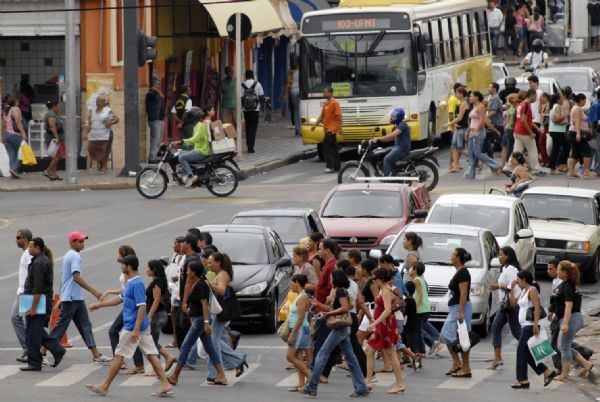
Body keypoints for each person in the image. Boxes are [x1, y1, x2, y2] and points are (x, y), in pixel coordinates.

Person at [86, 255, 173, 397]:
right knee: (151, 354)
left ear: (129, 267)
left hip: (133, 326)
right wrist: (100, 305)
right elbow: (119, 299)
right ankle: (165, 384)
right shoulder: (130, 283)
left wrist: (136, 329)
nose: (121, 267)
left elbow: (142, 307)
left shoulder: (136, 284)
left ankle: (104, 386)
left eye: (123, 264)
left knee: (119, 355)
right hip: (140, 326)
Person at [301, 269, 370, 397]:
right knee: (351, 359)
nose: (330, 281)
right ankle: (361, 387)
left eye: (331, 278)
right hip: (343, 329)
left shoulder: (340, 291)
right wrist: (319, 304)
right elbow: (335, 308)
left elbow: (344, 308)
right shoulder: (341, 291)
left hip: (340, 329)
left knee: (322, 354)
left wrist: (328, 314)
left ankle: (312, 386)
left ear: (337, 279)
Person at [49, 231, 111, 363]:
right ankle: (42, 353)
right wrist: (94, 291)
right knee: (61, 327)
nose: (82, 244)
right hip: (72, 298)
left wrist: (61, 297)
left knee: (85, 326)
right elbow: (76, 277)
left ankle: (96, 355)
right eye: (79, 241)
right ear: (71, 242)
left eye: (82, 241)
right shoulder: (75, 257)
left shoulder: (68, 255)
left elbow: (64, 278)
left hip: (74, 298)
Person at [167, 261, 227, 386]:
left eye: (189, 270)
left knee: (185, 346)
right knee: (209, 348)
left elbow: (204, 304)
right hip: (197, 319)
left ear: (194, 272)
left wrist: (206, 323)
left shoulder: (201, 285)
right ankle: (221, 375)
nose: (187, 272)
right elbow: (192, 302)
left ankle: (175, 376)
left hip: (200, 320)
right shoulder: (195, 284)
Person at [20, 237, 66, 371]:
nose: (29, 249)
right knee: (35, 330)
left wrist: (34, 308)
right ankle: (57, 350)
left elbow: (38, 288)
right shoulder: (39, 260)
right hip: (33, 299)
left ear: (38, 248)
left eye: (31, 247)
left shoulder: (39, 263)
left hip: (36, 300)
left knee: (32, 333)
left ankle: (35, 362)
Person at [508, 270, 557, 389]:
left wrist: (535, 324)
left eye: (518, 280)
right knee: (527, 353)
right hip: (524, 325)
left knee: (521, 351)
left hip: (530, 325)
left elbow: (536, 308)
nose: (518, 282)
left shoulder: (532, 290)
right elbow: (514, 304)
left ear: (524, 279)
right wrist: (512, 289)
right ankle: (547, 372)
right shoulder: (524, 291)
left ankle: (522, 380)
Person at [206, 252, 248, 383]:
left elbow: (222, 291)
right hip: (217, 311)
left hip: (221, 311)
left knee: (213, 342)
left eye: (210, 262)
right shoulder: (219, 273)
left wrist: (209, 283)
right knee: (215, 341)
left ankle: (215, 373)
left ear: (218, 263)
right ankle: (237, 360)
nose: (208, 264)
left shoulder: (223, 274)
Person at [364, 267, 405, 394]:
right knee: (370, 351)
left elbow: (387, 310)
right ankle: (368, 380)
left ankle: (399, 383)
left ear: (380, 279)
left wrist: (374, 323)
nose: (373, 281)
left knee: (391, 354)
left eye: (375, 278)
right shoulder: (384, 289)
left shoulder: (386, 291)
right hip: (383, 325)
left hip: (384, 326)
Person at [552, 261, 595, 382]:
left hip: (571, 319)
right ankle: (586, 364)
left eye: (559, 269)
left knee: (564, 347)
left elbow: (569, 306)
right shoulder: (565, 284)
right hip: (569, 318)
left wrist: (565, 323)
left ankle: (564, 375)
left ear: (565, 273)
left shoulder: (568, 286)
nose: (557, 271)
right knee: (562, 346)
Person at [104, 245, 144, 373]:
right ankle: (135, 363)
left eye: (119, 254)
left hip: (130, 307)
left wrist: (110, 295)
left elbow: (126, 290)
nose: (117, 257)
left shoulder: (128, 271)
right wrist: (110, 291)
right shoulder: (127, 268)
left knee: (115, 331)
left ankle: (122, 361)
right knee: (137, 337)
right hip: (128, 306)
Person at [439, 248, 473, 378]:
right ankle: (457, 362)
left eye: (453, 254)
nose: (451, 256)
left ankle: (465, 367)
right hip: (455, 307)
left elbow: (464, 293)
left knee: (461, 337)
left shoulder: (463, 272)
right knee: (450, 337)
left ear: (458, 258)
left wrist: (460, 312)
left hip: (461, 308)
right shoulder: (459, 272)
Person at [488, 246, 521, 370]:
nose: (499, 257)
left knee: (517, 332)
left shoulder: (511, 269)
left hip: (511, 305)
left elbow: (513, 286)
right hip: (505, 305)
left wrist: (498, 286)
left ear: (508, 256)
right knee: (495, 327)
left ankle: (535, 350)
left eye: (501, 255)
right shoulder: (505, 268)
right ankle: (497, 358)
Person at [143, 260, 176, 375]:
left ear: (154, 270)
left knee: (151, 342)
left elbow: (156, 300)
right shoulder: (159, 281)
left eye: (148, 268)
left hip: (157, 316)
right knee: (152, 341)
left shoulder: (156, 284)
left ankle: (157, 369)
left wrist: (149, 316)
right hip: (160, 314)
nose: (146, 270)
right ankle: (168, 357)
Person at [464, 91, 501, 179]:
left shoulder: (481, 106)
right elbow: (472, 121)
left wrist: (475, 131)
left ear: (476, 97)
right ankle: (470, 174)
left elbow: (481, 120)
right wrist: (468, 131)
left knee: (477, 153)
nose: (470, 98)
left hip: (479, 132)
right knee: (471, 153)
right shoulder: (474, 106)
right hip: (473, 131)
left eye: (471, 96)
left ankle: (497, 165)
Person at [409, 261, 442, 356]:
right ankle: (432, 343)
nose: (409, 269)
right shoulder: (420, 279)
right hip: (424, 309)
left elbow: (419, 295)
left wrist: (415, 308)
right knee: (421, 328)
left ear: (415, 270)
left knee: (418, 329)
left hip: (421, 309)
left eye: (411, 267)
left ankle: (427, 346)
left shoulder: (416, 280)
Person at [286, 274, 312, 392]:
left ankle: (311, 378)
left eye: (292, 283)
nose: (290, 285)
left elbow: (301, 318)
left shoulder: (302, 297)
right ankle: (301, 384)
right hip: (297, 329)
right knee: (298, 358)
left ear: (297, 283)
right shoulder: (298, 296)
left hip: (300, 330)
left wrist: (292, 334)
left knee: (290, 356)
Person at [174, 106, 211, 188]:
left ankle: (191, 176)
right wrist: (181, 144)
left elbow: (195, 139)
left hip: (202, 151)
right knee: (180, 153)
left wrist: (182, 141)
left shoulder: (200, 126)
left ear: (193, 117)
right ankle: (186, 176)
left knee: (182, 158)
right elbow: (195, 140)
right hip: (199, 149)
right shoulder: (197, 125)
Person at [12, 229, 33, 363]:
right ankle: (31, 349)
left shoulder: (28, 254)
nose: (16, 240)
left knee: (15, 318)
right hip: (23, 292)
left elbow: (33, 272)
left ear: (25, 238)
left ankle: (29, 349)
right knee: (30, 323)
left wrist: (26, 291)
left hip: (27, 293)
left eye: (18, 237)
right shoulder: (26, 253)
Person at [311, 87, 342, 173]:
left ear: (330, 93)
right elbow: (321, 116)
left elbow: (339, 116)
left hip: (332, 129)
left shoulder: (335, 103)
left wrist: (340, 128)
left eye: (325, 92)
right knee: (334, 148)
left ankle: (330, 166)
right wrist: (315, 125)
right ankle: (336, 166)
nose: (323, 94)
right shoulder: (326, 104)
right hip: (327, 128)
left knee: (327, 146)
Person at [86, 95, 119, 174]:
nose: (97, 103)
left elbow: (117, 119)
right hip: (94, 135)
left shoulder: (107, 110)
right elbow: (89, 122)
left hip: (105, 134)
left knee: (104, 151)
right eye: (97, 101)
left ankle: (103, 167)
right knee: (91, 149)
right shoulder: (92, 111)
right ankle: (102, 164)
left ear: (103, 103)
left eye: (99, 101)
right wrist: (86, 132)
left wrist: (110, 122)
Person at [375, 108, 411, 177]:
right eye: (392, 116)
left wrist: (378, 138)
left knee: (387, 159)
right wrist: (379, 140)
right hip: (398, 147)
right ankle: (392, 171)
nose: (392, 118)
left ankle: (387, 178)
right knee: (384, 151)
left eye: (394, 116)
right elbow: (390, 138)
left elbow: (392, 135)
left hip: (403, 149)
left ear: (399, 117)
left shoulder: (402, 125)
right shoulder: (398, 125)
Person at [513, 89, 542, 174]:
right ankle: (536, 169)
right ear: (531, 95)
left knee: (517, 152)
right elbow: (524, 121)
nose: (536, 98)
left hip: (517, 131)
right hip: (524, 133)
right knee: (532, 150)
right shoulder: (526, 105)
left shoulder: (521, 104)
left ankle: (509, 167)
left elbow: (527, 120)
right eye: (535, 96)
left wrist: (536, 128)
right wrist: (530, 132)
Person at [568, 93, 596, 178]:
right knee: (586, 152)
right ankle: (587, 172)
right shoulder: (577, 109)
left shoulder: (576, 108)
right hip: (578, 133)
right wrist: (578, 133)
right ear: (581, 100)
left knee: (575, 153)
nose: (584, 102)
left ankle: (571, 172)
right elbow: (577, 122)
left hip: (574, 132)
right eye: (584, 100)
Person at [445, 87, 470, 172]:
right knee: (454, 146)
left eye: (457, 93)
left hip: (462, 128)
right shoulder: (461, 102)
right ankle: (455, 166)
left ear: (461, 93)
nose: (456, 95)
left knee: (461, 149)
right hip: (458, 128)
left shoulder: (464, 103)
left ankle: (477, 157)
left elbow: (460, 117)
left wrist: (449, 123)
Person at [2, 95, 27, 178]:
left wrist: (3, 137)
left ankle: (13, 173)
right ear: (16, 102)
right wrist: (23, 133)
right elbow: (18, 123)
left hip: (8, 135)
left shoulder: (6, 111)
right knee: (22, 152)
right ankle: (13, 169)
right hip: (15, 135)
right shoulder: (16, 109)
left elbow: (4, 125)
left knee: (12, 155)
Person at [241, 70, 264, 153]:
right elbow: (261, 97)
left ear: (245, 76)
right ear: (253, 76)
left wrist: (241, 108)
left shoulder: (242, 85)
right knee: (253, 128)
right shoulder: (257, 84)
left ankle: (248, 144)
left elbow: (241, 98)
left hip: (246, 110)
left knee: (247, 127)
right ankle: (252, 146)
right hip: (255, 109)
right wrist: (262, 108)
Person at [43, 101, 65, 181]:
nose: (59, 108)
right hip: (53, 139)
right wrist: (57, 138)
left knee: (55, 156)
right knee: (58, 155)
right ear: (53, 106)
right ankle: (47, 170)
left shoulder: (55, 114)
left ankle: (54, 173)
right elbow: (52, 127)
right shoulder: (51, 115)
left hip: (56, 138)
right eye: (57, 106)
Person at [146, 73, 165, 163]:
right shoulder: (151, 93)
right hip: (154, 119)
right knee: (155, 138)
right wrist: (155, 89)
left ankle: (155, 156)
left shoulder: (154, 93)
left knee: (159, 138)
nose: (159, 85)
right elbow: (161, 96)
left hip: (159, 118)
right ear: (154, 84)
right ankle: (152, 158)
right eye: (158, 84)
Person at [548, 92, 569, 174]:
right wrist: (565, 115)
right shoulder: (558, 106)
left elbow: (555, 120)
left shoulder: (553, 106)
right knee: (558, 148)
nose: (562, 99)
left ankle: (560, 165)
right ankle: (554, 167)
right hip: (558, 131)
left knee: (563, 147)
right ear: (558, 99)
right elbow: (557, 119)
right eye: (561, 98)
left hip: (555, 130)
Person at [501, 93, 520, 169]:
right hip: (511, 130)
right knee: (511, 148)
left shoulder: (510, 108)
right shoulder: (513, 109)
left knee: (509, 147)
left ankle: (509, 163)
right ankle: (510, 163)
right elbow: (512, 123)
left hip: (507, 129)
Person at [487, 83, 505, 162]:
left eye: (490, 87)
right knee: (486, 141)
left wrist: (484, 118)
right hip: (494, 124)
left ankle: (508, 158)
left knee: (502, 143)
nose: (488, 88)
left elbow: (494, 111)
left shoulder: (495, 98)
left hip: (497, 124)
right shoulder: (492, 98)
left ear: (494, 89)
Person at [287, 60, 301, 136]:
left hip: (293, 90)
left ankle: (297, 129)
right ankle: (301, 129)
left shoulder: (291, 72)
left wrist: (286, 94)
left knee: (295, 110)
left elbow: (288, 83)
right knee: (300, 110)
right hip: (299, 90)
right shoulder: (302, 71)